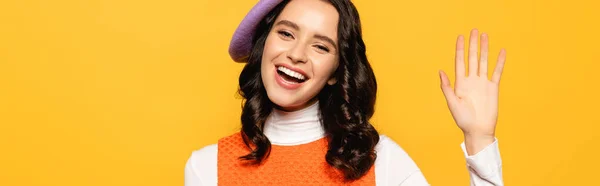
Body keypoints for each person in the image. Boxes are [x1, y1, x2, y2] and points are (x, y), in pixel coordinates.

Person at [185, 0, 507, 185]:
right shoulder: (206, 168)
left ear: (335, 74)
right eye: (286, 33)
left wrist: (479, 140)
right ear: (264, 43)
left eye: (321, 46)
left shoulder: (381, 162)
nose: (297, 54)